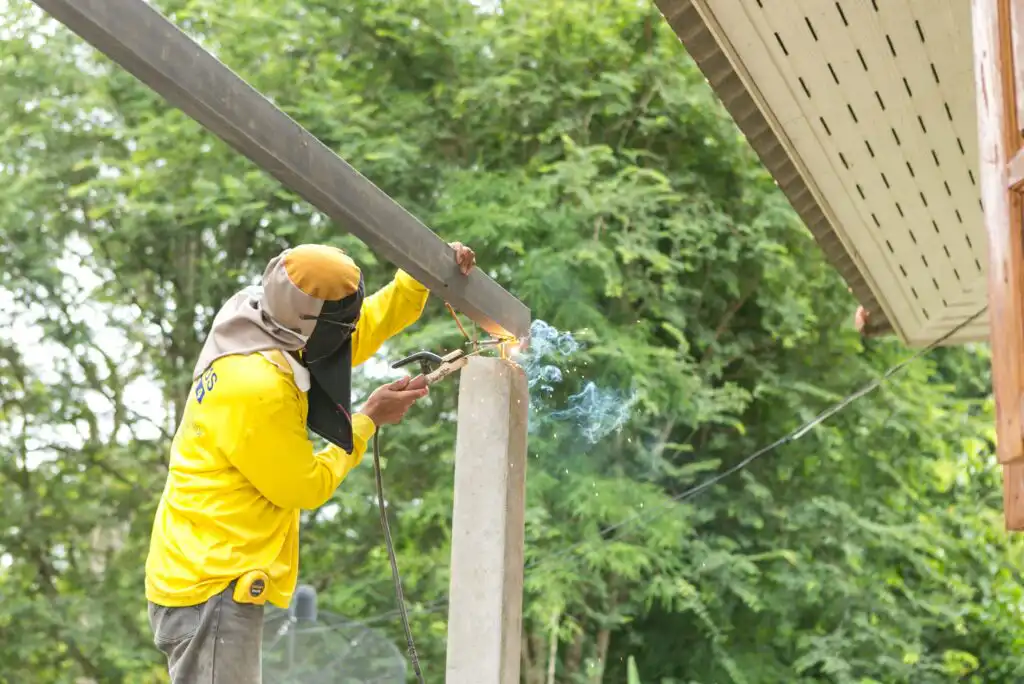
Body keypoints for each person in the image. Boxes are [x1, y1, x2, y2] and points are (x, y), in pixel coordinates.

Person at [144, 241, 476, 682]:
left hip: (211, 571)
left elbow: (362, 327)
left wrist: (424, 274)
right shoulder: (257, 387)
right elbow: (305, 486)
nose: (349, 337)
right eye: (341, 328)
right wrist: (368, 421)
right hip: (212, 583)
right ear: (313, 327)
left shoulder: (265, 322)